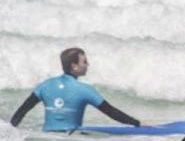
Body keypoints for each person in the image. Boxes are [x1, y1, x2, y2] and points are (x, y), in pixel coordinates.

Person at [9, 48, 140, 131]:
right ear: (74, 66)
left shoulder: (45, 85)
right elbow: (111, 112)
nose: (88, 65)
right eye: (84, 61)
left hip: (46, 140)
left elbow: (21, 111)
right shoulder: (85, 90)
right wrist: (137, 123)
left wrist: (9, 135)